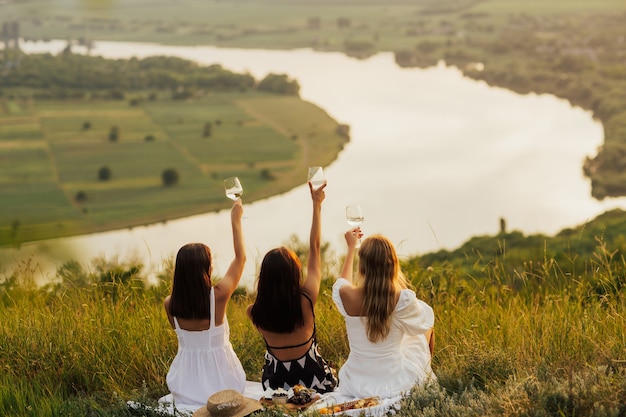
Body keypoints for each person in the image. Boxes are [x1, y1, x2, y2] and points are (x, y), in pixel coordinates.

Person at [246, 181, 338, 393]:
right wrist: (317, 204)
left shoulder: (254, 312)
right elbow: (315, 248)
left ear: (264, 278)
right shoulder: (306, 301)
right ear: (294, 274)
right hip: (316, 383)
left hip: (276, 387)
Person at [162, 198, 247, 410]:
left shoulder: (170, 304)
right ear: (206, 269)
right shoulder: (217, 296)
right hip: (223, 383)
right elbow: (241, 258)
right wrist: (235, 221)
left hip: (185, 385)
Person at [332, 228, 436, 399]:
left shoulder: (346, 296)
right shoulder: (401, 298)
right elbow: (422, 323)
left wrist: (351, 248)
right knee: (424, 330)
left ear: (362, 265)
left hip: (355, 382)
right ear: (392, 264)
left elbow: (342, 282)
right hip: (395, 380)